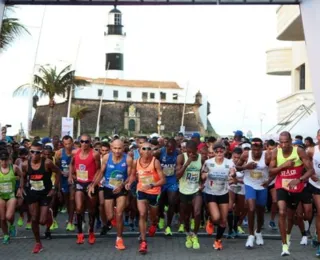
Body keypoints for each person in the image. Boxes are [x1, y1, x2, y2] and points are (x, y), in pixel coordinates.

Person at [269, 131, 314, 256]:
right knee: (282, 212)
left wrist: (299, 179)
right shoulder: (275, 152)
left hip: (296, 187)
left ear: (290, 141)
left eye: (286, 142)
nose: (284, 145)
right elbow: (271, 172)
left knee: (292, 216)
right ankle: (284, 245)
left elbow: (310, 170)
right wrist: (284, 165)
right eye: (281, 142)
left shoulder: (299, 151)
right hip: (281, 186)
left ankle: (289, 234)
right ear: (279, 142)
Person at [89, 139, 132, 250]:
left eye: (119, 148)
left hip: (121, 189)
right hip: (108, 188)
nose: (117, 151)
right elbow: (101, 172)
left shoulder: (128, 159)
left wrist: (122, 185)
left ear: (123, 148)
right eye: (115, 148)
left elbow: (130, 176)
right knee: (110, 216)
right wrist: (93, 184)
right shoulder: (107, 158)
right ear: (111, 148)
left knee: (119, 214)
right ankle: (113, 215)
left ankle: (119, 239)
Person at [20, 141, 61, 253]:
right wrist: (21, 188)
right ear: (29, 152)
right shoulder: (25, 164)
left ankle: (49, 214)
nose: (34, 154)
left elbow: (58, 172)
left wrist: (54, 188)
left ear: (41, 153)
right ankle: (38, 243)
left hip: (45, 193)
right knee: (34, 219)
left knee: (42, 221)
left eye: (37, 152)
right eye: (32, 152)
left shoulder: (47, 163)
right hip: (32, 193)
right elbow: (23, 176)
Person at [126, 142, 165, 254]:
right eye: (144, 149)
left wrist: (152, 185)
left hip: (154, 192)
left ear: (152, 151)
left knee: (153, 216)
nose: (147, 151)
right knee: (142, 214)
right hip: (141, 191)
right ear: (140, 151)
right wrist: (130, 182)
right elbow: (133, 174)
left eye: (149, 149)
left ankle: (153, 223)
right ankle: (143, 241)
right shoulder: (136, 162)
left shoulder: (155, 162)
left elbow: (163, 180)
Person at [236, 138, 271, 248]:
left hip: (262, 185)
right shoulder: (246, 154)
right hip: (249, 183)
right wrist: (246, 167)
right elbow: (237, 167)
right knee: (251, 208)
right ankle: (250, 235)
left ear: (262, 148)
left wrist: (269, 181)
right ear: (251, 148)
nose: (256, 152)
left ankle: (258, 232)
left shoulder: (267, 156)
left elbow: (274, 170)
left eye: (258, 149)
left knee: (260, 211)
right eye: (254, 149)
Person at [201, 142, 236, 250]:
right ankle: (211, 220)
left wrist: (233, 174)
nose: (219, 152)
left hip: (223, 192)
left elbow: (233, 176)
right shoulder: (208, 162)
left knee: (223, 220)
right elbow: (202, 176)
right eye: (217, 151)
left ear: (225, 151)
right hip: (210, 192)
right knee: (216, 217)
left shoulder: (229, 163)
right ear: (214, 152)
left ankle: (218, 240)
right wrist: (205, 175)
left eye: (221, 150)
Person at [68, 134, 100, 245]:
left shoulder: (95, 154)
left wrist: (93, 184)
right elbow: (71, 164)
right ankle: (80, 233)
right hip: (79, 183)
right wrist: (70, 175)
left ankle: (91, 231)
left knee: (91, 210)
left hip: (90, 184)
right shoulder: (74, 152)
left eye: (87, 142)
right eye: (82, 141)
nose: (84, 144)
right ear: (79, 142)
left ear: (90, 142)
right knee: (79, 207)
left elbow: (99, 170)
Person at [176, 140, 203, 250]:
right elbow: (177, 176)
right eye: (189, 152)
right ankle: (188, 234)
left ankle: (195, 235)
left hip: (196, 190)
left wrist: (202, 183)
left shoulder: (201, 158)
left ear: (197, 150)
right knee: (186, 216)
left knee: (197, 212)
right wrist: (186, 164)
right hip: (184, 191)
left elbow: (203, 173)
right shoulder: (181, 157)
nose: (191, 155)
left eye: (193, 152)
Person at [155, 138, 179, 236]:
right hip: (161, 180)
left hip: (172, 180)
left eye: (173, 149)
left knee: (172, 202)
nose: (171, 151)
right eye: (169, 149)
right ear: (166, 147)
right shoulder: (160, 152)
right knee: (159, 202)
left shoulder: (178, 154)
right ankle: (161, 217)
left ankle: (168, 225)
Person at [0, 150, 22, 244]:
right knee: (2, 218)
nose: (4, 162)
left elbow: (22, 177)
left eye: (6, 160)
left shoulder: (14, 168)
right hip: (1, 196)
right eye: (2, 160)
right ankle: (6, 235)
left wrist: (20, 188)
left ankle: (12, 225)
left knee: (9, 216)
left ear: (9, 159)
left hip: (11, 195)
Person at [55, 135, 75, 231]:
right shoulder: (59, 153)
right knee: (66, 199)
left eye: (69, 143)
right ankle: (70, 216)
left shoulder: (76, 152)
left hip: (74, 179)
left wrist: (72, 174)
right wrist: (61, 172)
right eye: (65, 144)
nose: (68, 146)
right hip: (63, 179)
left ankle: (71, 222)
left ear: (72, 142)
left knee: (72, 199)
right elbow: (56, 167)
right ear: (63, 144)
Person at [307, 129, 320, 256]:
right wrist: (311, 174)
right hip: (316, 185)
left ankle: (317, 234)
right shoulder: (312, 150)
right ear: (317, 136)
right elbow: (306, 163)